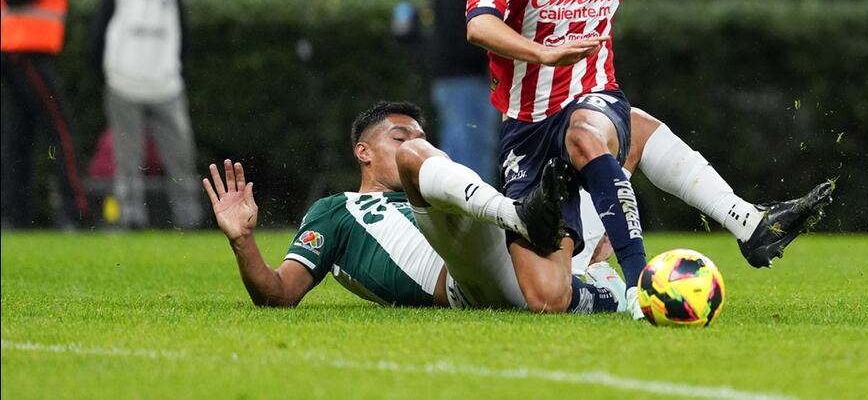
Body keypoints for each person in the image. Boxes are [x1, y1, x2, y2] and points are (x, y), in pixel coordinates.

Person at [461, 0, 843, 317]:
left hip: (593, 100)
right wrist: (543, 54)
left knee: (587, 133)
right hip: (527, 128)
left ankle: (645, 283)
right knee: (546, 297)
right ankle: (619, 277)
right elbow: (479, 25)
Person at [203, 101, 622, 311]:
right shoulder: (335, 211)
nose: (414, 145)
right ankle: (543, 235)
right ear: (362, 152)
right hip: (463, 277)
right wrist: (242, 240)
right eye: (400, 137)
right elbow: (279, 295)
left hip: (504, 252)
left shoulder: (439, 192)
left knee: (620, 125)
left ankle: (606, 281)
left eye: (419, 138)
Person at [89, 0, 204, 230]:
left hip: (166, 87)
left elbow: (183, 39)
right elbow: (98, 38)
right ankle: (131, 218)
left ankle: (189, 219)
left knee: (180, 156)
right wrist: (109, 77)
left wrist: (176, 73)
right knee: (128, 159)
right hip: (123, 86)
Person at [0, 0, 87, 228]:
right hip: (24, 49)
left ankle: (13, 216)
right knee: (61, 129)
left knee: (19, 136)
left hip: (26, 50)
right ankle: (78, 215)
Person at [430, 0, 500, 186]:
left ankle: (471, 217)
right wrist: (491, 54)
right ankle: (466, 216)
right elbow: (455, 31)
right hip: (461, 78)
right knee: (465, 146)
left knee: (478, 145)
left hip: (476, 79)